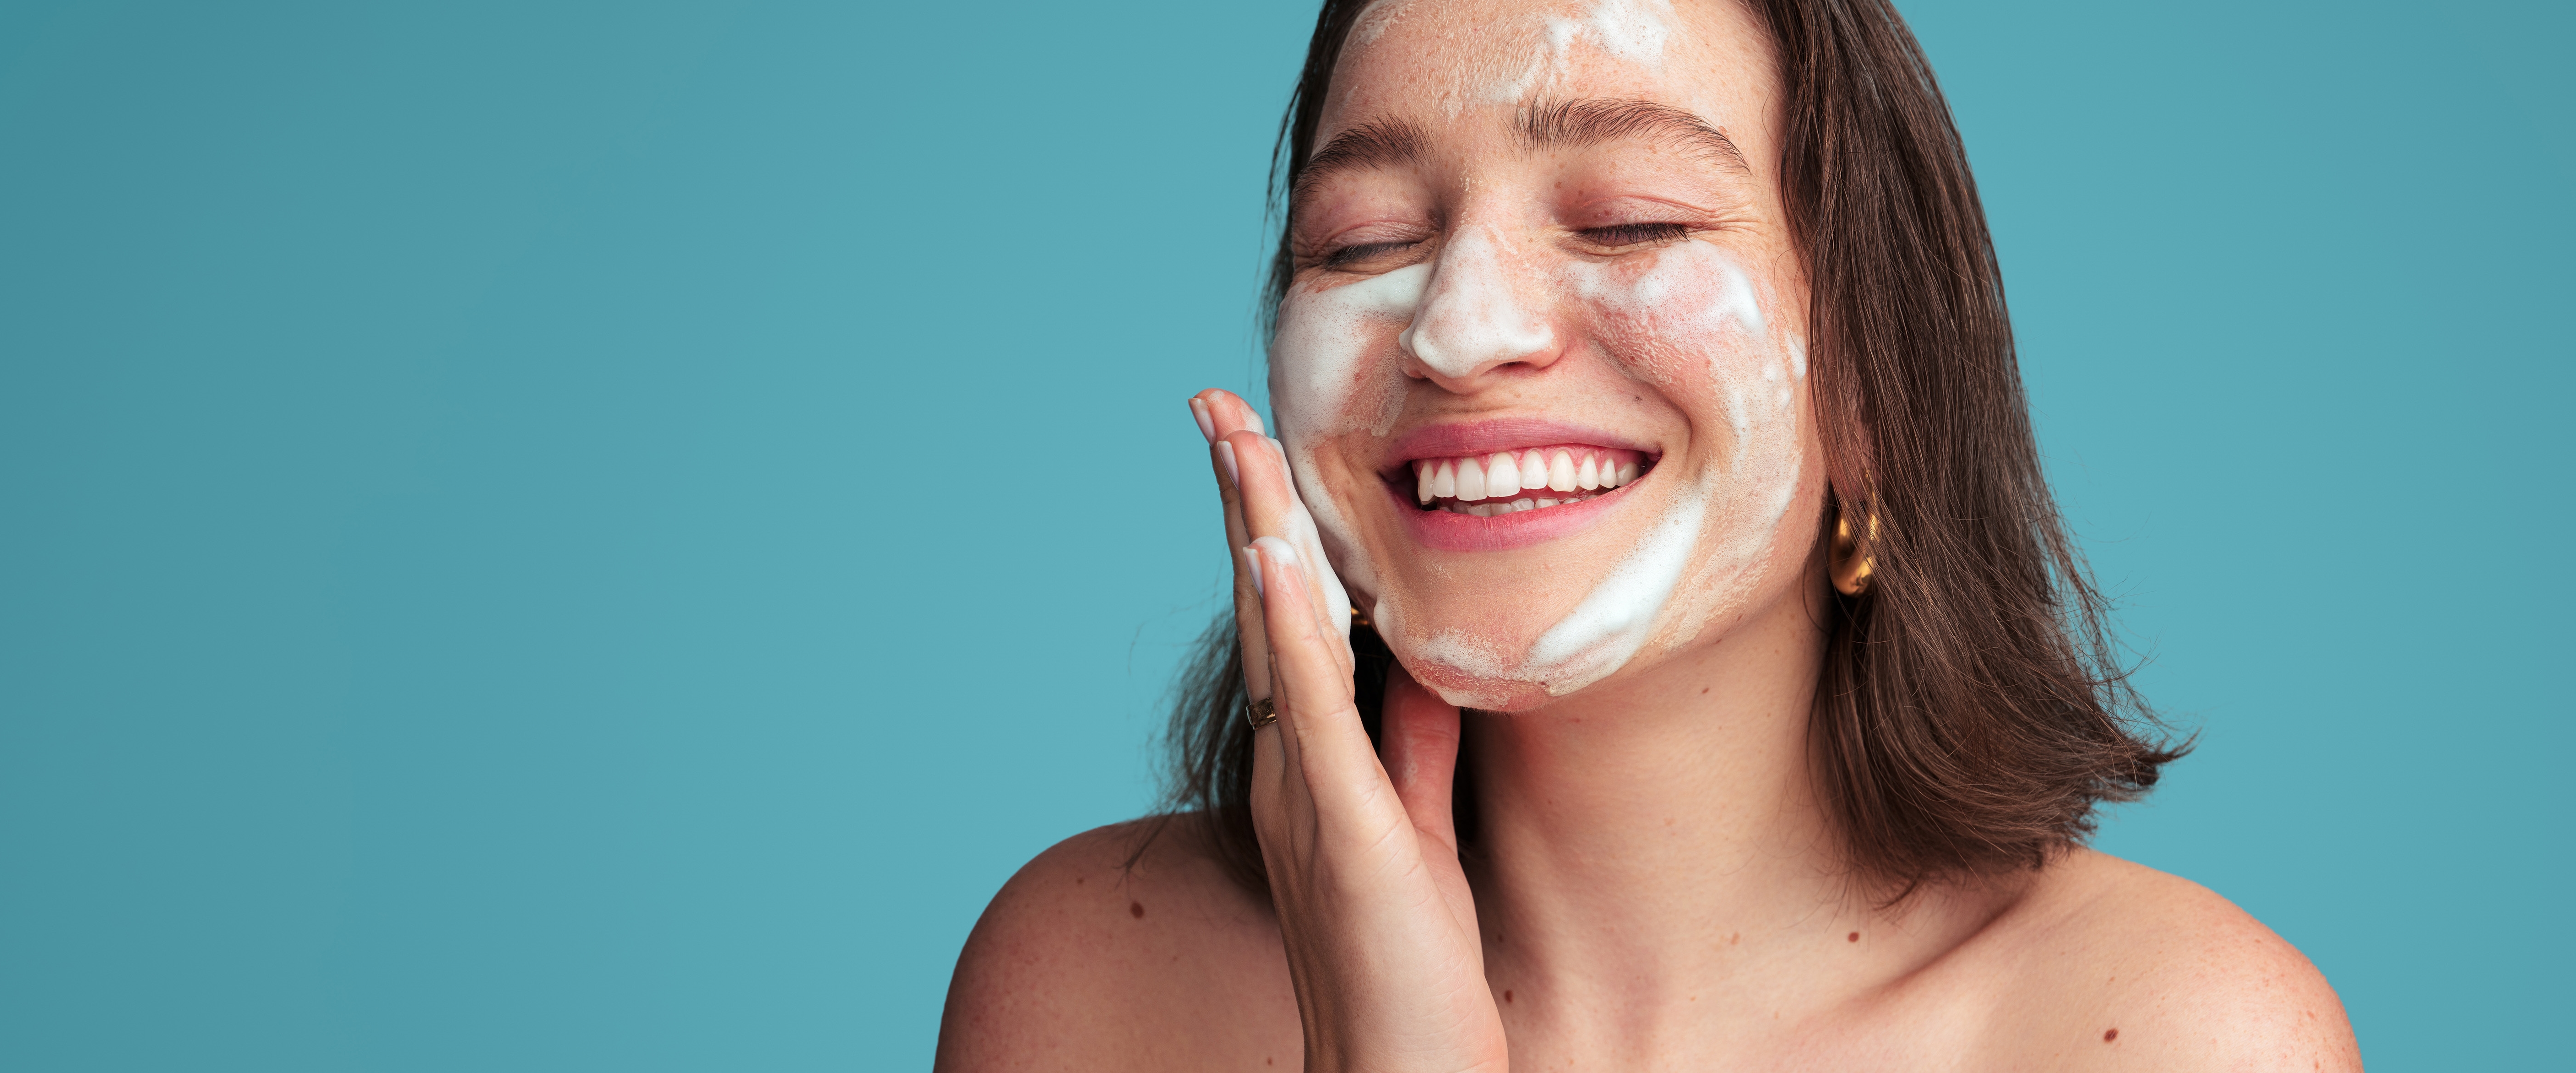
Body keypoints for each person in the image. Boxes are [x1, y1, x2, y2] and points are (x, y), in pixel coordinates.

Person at [935, 0, 2359, 1067]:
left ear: (1874, 384)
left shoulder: (2176, 1035)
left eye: (1627, 220)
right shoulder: (1091, 986)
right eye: (1362, 240)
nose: (1458, 328)